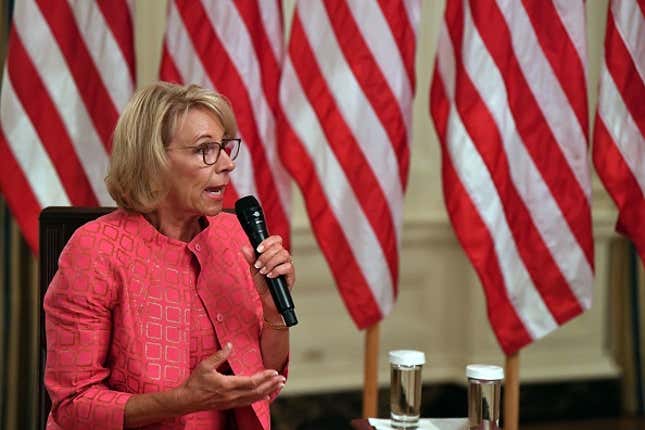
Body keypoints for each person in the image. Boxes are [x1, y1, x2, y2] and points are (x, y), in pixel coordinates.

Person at [44, 82, 294, 430]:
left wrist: (272, 311)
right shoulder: (96, 251)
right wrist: (185, 401)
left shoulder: (234, 235)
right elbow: (73, 406)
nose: (226, 164)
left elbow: (261, 377)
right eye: (205, 149)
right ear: (154, 159)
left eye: (224, 147)